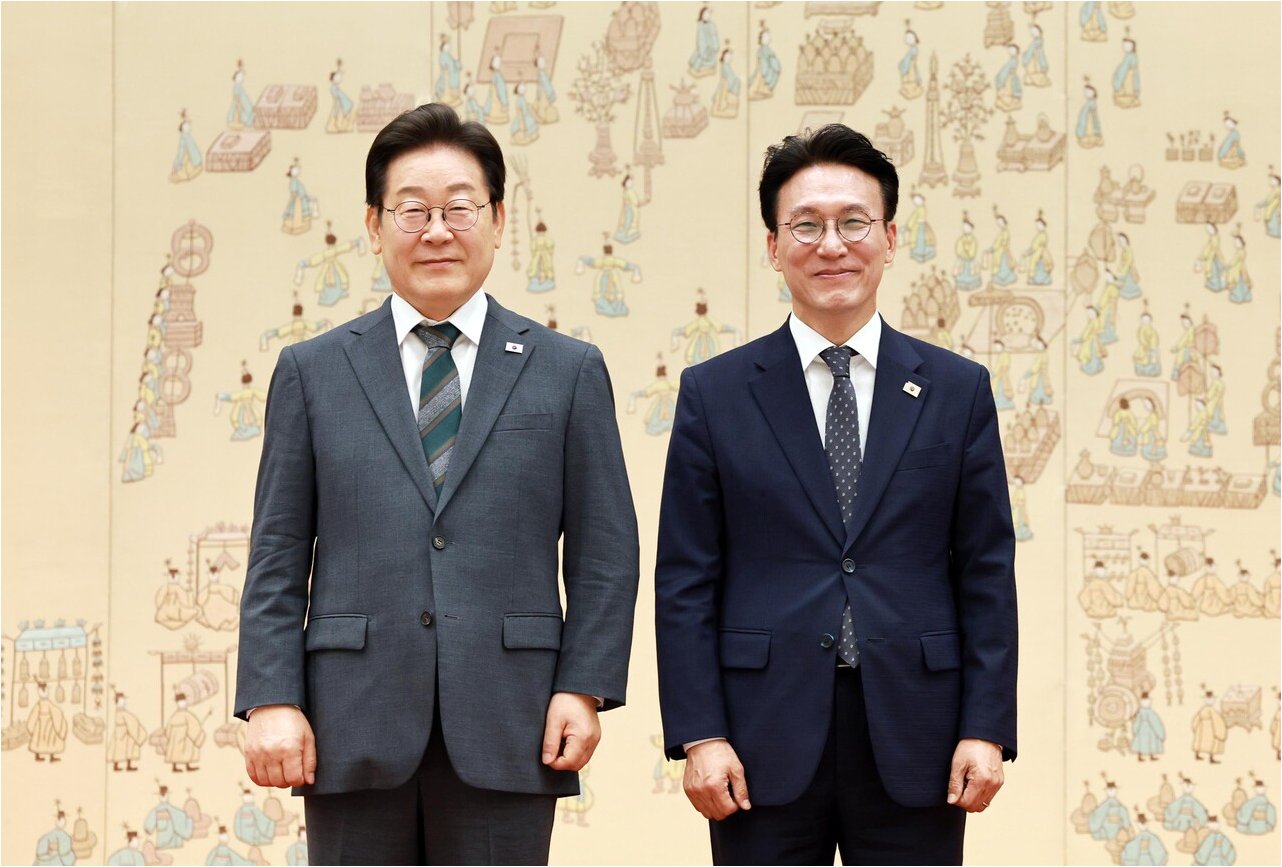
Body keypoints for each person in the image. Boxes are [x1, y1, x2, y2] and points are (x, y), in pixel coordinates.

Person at [235, 103, 639, 866]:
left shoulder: (567, 371)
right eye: (413, 210)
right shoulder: (313, 372)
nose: (437, 230)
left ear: (498, 218)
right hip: (350, 721)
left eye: (459, 208)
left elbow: (605, 554)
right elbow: (278, 551)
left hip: (513, 719)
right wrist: (271, 696)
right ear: (374, 224)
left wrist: (583, 686)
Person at [655, 125, 1016, 865]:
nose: (832, 245)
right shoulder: (716, 393)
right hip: (758, 739)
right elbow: (686, 578)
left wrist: (985, 726)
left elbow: (986, 570)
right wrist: (701, 734)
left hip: (919, 732)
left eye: (854, 222)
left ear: (889, 237)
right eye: (806, 226)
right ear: (773, 245)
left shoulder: (957, 390)